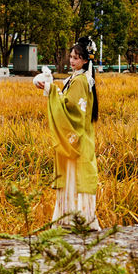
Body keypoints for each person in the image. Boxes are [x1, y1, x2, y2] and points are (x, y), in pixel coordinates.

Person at [35, 37, 100, 230]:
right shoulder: (78, 79)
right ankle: (77, 218)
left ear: (86, 60)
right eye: (71, 56)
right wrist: (50, 87)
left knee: (75, 178)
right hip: (80, 139)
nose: (72, 61)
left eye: (77, 58)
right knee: (75, 178)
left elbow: (71, 109)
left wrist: (50, 90)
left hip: (76, 139)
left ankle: (73, 219)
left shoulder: (79, 81)